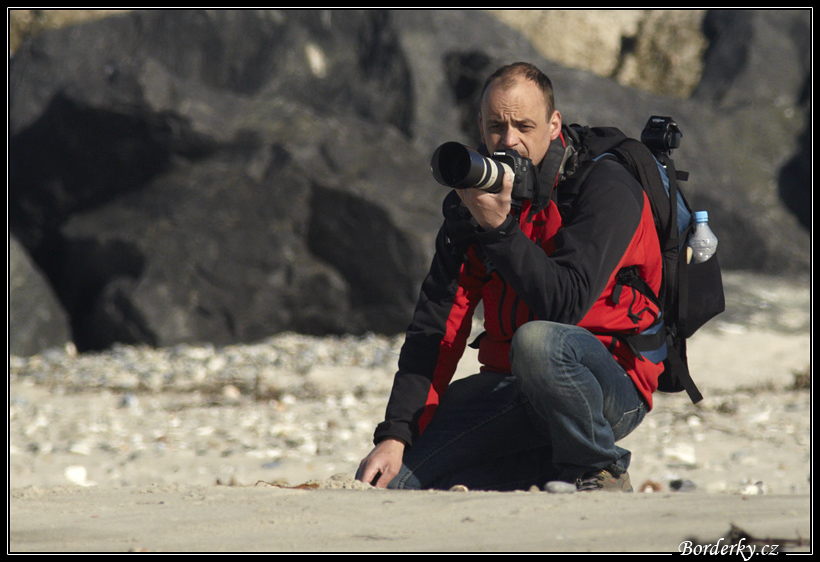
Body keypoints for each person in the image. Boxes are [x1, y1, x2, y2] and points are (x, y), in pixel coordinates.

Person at [356, 62, 663, 492]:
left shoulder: (604, 186)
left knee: (539, 341)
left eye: (524, 125)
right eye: (497, 126)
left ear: (554, 125)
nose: (510, 139)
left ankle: (600, 467)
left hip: (609, 382)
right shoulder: (477, 199)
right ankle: (549, 468)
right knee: (392, 481)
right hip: (512, 387)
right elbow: (436, 325)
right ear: (480, 127)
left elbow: (565, 304)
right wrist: (395, 435)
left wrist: (498, 232)